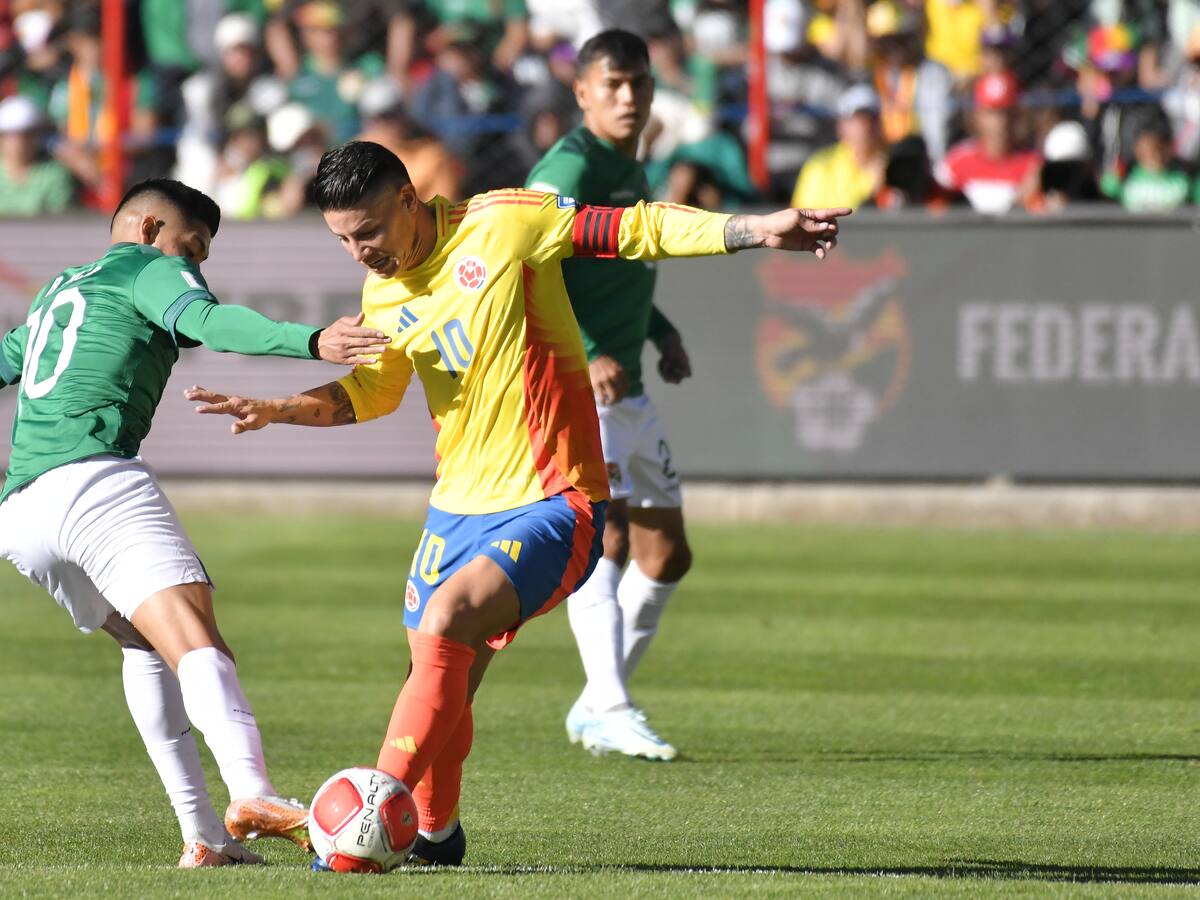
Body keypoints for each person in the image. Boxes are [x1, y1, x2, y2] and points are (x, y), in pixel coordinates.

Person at [185, 138, 849, 866]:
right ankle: (436, 834)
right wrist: (279, 408)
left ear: (409, 200)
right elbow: (374, 394)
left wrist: (753, 230)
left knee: (447, 622)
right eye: (343, 239)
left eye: (368, 231)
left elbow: (632, 229)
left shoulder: (505, 224)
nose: (359, 254)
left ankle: (354, 838)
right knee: (444, 685)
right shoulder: (384, 293)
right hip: (455, 511)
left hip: (555, 500)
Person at [0, 178, 390, 868]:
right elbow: (208, 324)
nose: (196, 265)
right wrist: (312, 340)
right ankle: (252, 791)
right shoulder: (150, 266)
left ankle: (206, 837)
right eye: (194, 245)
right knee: (195, 639)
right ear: (150, 229)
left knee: (144, 647)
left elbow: (7, 361)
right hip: (96, 481)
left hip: (22, 510)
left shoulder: (63, 285)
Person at [522, 28, 690, 762]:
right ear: (582, 92)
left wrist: (659, 329)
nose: (630, 97)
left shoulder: (627, 165)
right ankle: (613, 704)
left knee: (668, 554)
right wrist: (586, 355)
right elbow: (526, 260)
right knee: (608, 537)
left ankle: (597, 702)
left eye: (641, 84)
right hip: (581, 382)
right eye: (614, 84)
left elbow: (614, 269)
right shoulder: (569, 165)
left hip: (630, 381)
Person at [792, 84, 888, 209]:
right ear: (841, 126)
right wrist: (869, 191)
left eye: (872, 119)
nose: (866, 126)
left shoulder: (897, 164)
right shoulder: (819, 166)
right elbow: (803, 217)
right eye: (857, 119)